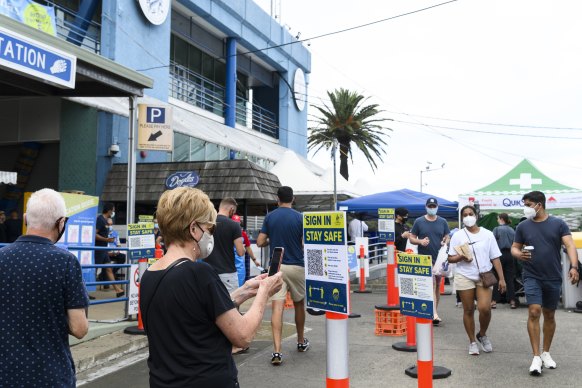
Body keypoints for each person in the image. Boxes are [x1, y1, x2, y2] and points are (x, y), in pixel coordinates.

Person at [140, 187, 282, 387]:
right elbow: (243, 335)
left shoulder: (150, 274)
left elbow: (194, 312)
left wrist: (245, 291)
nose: (211, 235)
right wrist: (264, 292)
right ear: (193, 229)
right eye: (210, 229)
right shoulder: (199, 273)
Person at [0, 188, 89, 386]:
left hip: (5, 375)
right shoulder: (65, 262)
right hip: (50, 376)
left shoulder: (2, 258)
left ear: (25, 218)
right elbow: (80, 328)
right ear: (61, 222)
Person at [511, 190, 579, 376]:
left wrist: (574, 267)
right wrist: (519, 254)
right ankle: (535, 357)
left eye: (527, 205)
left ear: (538, 205)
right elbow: (514, 248)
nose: (525, 209)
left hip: (553, 276)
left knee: (549, 314)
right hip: (531, 275)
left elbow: (570, 245)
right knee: (534, 311)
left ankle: (546, 352)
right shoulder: (523, 226)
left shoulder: (558, 223)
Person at [257, 186, 309, 365]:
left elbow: (260, 241)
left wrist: (273, 238)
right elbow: (304, 243)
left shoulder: (270, 217)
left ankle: (277, 351)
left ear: (277, 199)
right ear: (292, 199)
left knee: (277, 307)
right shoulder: (299, 217)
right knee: (299, 303)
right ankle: (301, 341)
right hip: (296, 265)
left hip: (276, 266)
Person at [447, 205, 506, 355]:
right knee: (468, 309)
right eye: (465, 215)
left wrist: (502, 279)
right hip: (464, 275)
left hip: (484, 275)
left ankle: (482, 334)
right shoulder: (458, 235)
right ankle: (472, 341)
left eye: (470, 214)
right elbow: (450, 258)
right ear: (462, 218)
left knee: (485, 308)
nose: (468, 217)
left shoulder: (487, 234)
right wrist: (461, 256)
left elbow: (495, 257)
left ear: (476, 215)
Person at [409, 197, 450, 325]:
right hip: (424, 259)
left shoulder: (442, 221)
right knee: (431, 284)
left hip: (439, 258)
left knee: (437, 285)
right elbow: (411, 238)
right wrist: (420, 241)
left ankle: (433, 311)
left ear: (437, 207)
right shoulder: (419, 221)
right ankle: (433, 314)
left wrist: (445, 241)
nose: (432, 208)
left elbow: (447, 236)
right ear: (426, 207)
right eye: (430, 206)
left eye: (434, 206)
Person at [205, 198, 245, 292]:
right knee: (232, 303)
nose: (233, 213)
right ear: (231, 209)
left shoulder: (207, 224)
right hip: (227, 273)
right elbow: (240, 252)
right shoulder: (234, 225)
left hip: (208, 272)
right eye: (234, 211)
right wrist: (243, 249)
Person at [95, 203, 124, 297]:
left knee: (109, 269)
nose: (114, 212)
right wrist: (106, 240)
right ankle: (85, 291)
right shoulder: (100, 219)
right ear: (109, 210)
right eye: (113, 210)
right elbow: (94, 234)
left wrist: (108, 240)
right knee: (93, 270)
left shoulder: (106, 220)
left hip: (104, 249)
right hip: (98, 250)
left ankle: (117, 290)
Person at [492, 213, 517, 309]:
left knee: (496, 277)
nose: (497, 220)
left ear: (501, 219)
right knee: (509, 279)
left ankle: (494, 301)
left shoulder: (496, 229)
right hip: (510, 255)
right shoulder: (512, 230)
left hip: (499, 255)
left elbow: (492, 243)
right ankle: (512, 301)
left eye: (498, 218)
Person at [232, 214, 261, 281]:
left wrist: (254, 260)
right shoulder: (226, 233)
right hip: (228, 266)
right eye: (234, 223)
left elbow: (248, 248)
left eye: (237, 224)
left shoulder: (243, 234)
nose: (236, 226)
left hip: (239, 267)